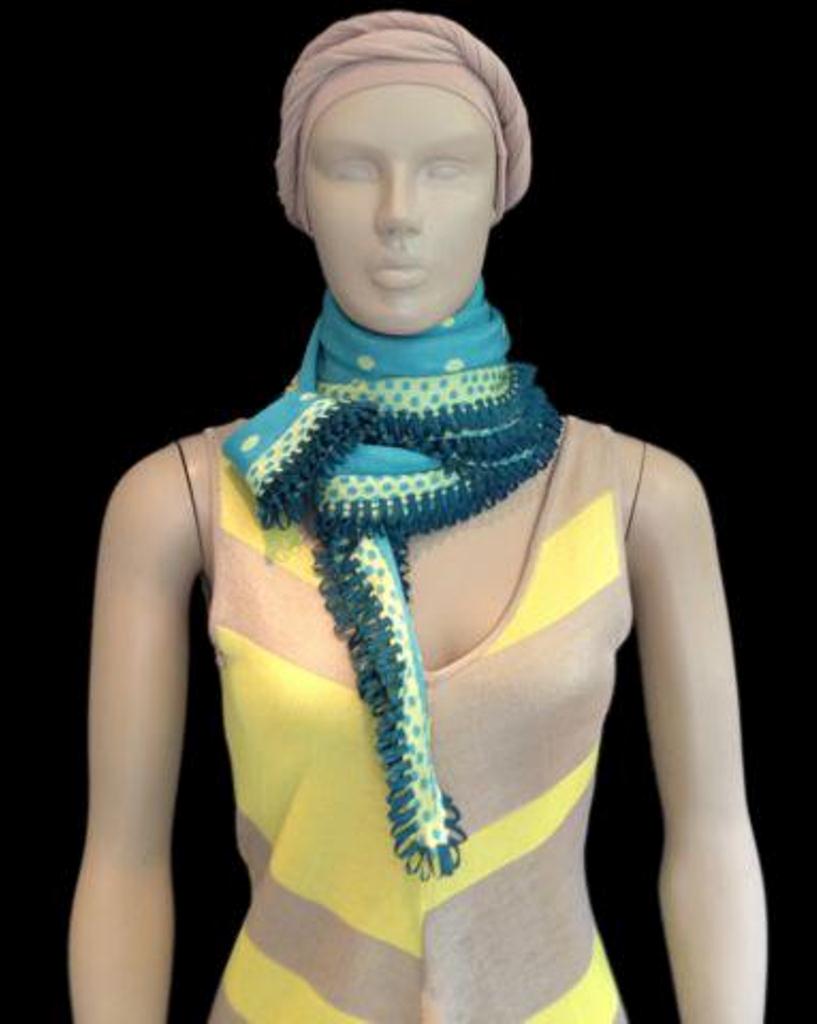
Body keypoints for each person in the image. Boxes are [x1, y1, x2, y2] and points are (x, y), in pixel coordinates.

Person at [68, 11, 767, 1023]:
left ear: (498, 189)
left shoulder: (634, 498)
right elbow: (124, 864)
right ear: (297, 192)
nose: (397, 213)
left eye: (443, 168)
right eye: (352, 167)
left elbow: (711, 842)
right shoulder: (186, 501)